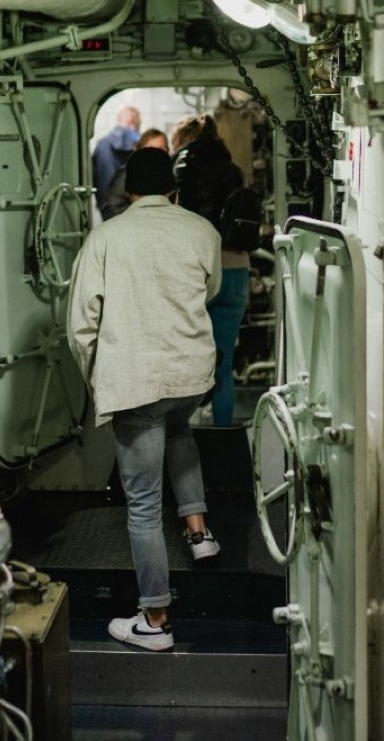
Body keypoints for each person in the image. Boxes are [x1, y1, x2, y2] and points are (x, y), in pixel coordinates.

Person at [66, 146, 222, 652]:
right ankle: (200, 533)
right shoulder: (202, 230)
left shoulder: (106, 238)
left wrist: (100, 376)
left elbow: (80, 325)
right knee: (179, 430)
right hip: (191, 376)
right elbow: (210, 290)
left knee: (143, 506)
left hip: (137, 382)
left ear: (128, 190)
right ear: (172, 190)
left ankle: (155, 620)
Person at [171, 114, 250, 428]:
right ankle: (222, 435)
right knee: (224, 363)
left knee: (188, 362)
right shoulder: (234, 170)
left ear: (185, 138)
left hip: (196, 272)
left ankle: (183, 438)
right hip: (235, 268)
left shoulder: (180, 168)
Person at [99, 128, 170, 220]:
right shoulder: (127, 173)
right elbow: (110, 209)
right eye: (149, 148)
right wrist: (145, 215)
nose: (154, 153)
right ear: (139, 150)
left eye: (160, 149)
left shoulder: (170, 173)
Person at [90, 105, 142, 213]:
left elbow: (97, 184)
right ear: (132, 120)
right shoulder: (139, 146)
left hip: (108, 210)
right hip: (135, 213)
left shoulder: (101, 146)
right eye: (139, 124)